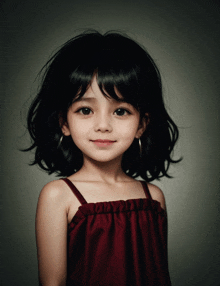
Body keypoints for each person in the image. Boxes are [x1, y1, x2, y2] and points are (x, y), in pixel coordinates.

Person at [24, 30, 180, 286]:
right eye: (85, 110)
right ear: (64, 122)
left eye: (120, 111)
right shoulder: (58, 195)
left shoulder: (153, 197)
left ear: (142, 125)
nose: (103, 125)